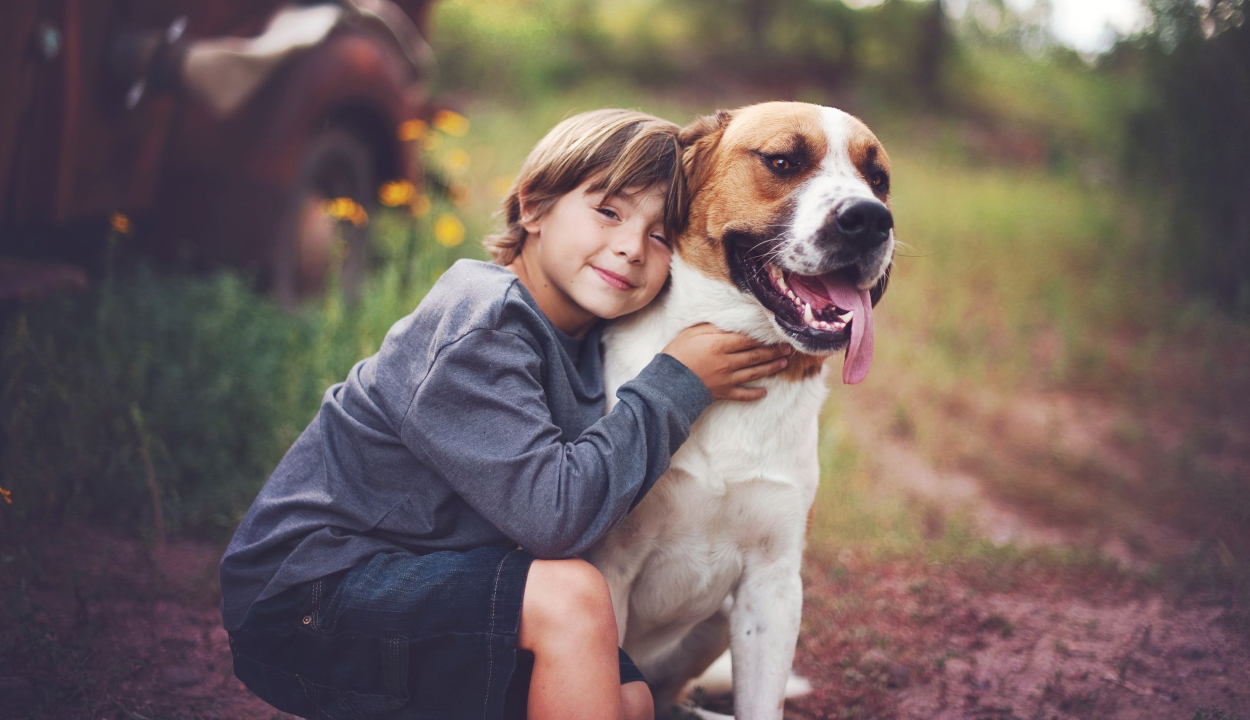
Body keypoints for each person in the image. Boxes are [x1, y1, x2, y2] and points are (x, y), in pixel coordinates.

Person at [219, 108, 792, 720]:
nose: (629, 247)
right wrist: (678, 382)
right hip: (309, 598)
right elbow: (553, 519)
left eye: (659, 235)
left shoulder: (583, 339)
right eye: (608, 211)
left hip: (420, 588)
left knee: (629, 701)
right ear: (533, 208)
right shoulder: (481, 320)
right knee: (570, 598)